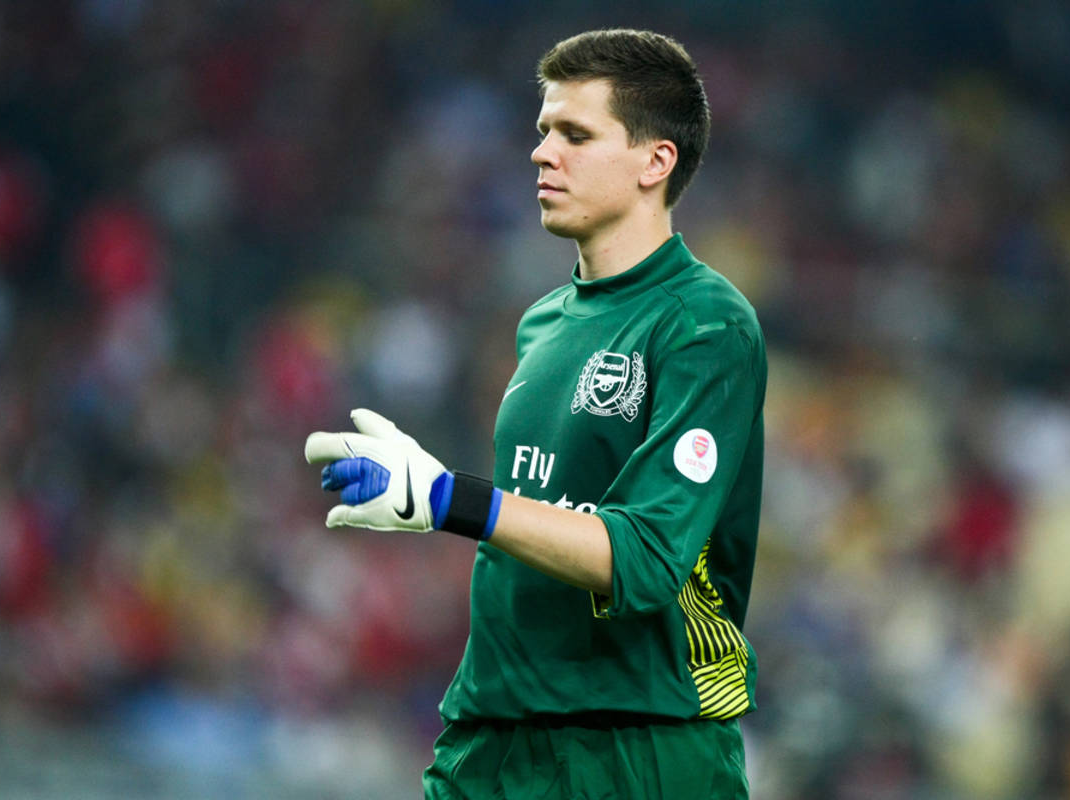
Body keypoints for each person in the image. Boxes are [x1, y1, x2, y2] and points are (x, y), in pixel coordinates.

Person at [305, 28, 765, 799]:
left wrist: (451, 499)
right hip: (492, 735)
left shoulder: (706, 326)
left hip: (637, 744)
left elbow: (647, 558)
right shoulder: (541, 324)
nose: (541, 153)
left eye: (575, 135)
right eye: (544, 130)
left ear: (656, 161)